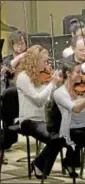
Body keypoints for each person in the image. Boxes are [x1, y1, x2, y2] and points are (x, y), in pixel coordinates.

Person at [14, 45, 64, 178]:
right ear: (35, 61)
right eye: (44, 61)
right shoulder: (23, 78)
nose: (47, 65)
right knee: (57, 138)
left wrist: (57, 86)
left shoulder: (41, 76)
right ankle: (40, 165)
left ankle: (39, 163)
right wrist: (52, 84)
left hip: (43, 119)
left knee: (64, 134)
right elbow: (38, 100)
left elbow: (49, 99)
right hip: (28, 120)